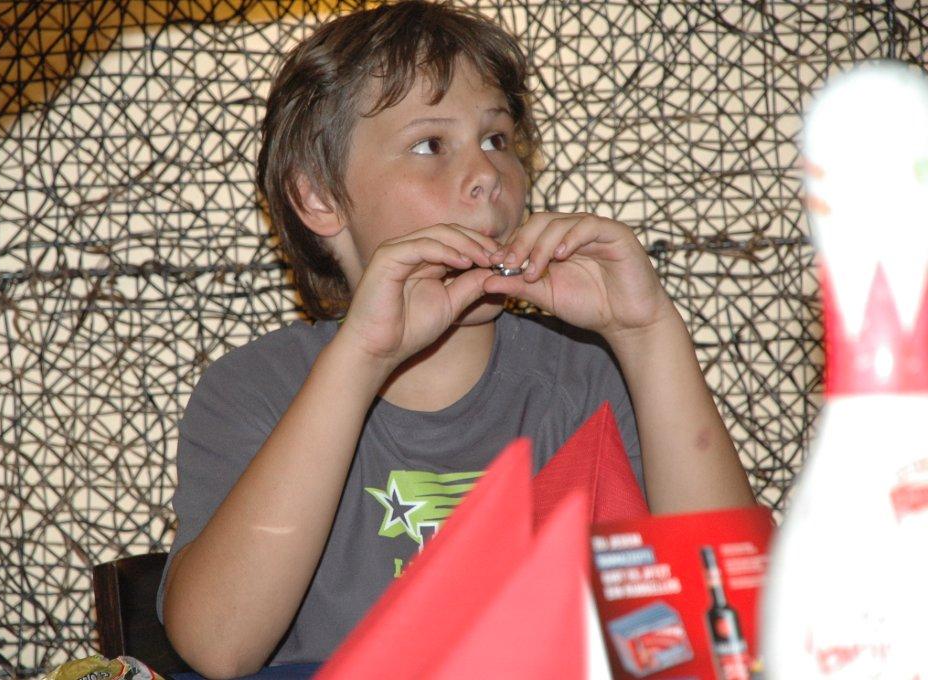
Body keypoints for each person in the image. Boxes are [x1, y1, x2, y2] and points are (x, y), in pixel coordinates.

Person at [159, 2, 756, 677]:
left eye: (497, 139)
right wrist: (362, 359)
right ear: (320, 197)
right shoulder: (256, 388)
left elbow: (727, 614)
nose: (488, 175)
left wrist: (648, 335)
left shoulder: (589, 376)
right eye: (431, 146)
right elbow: (219, 647)